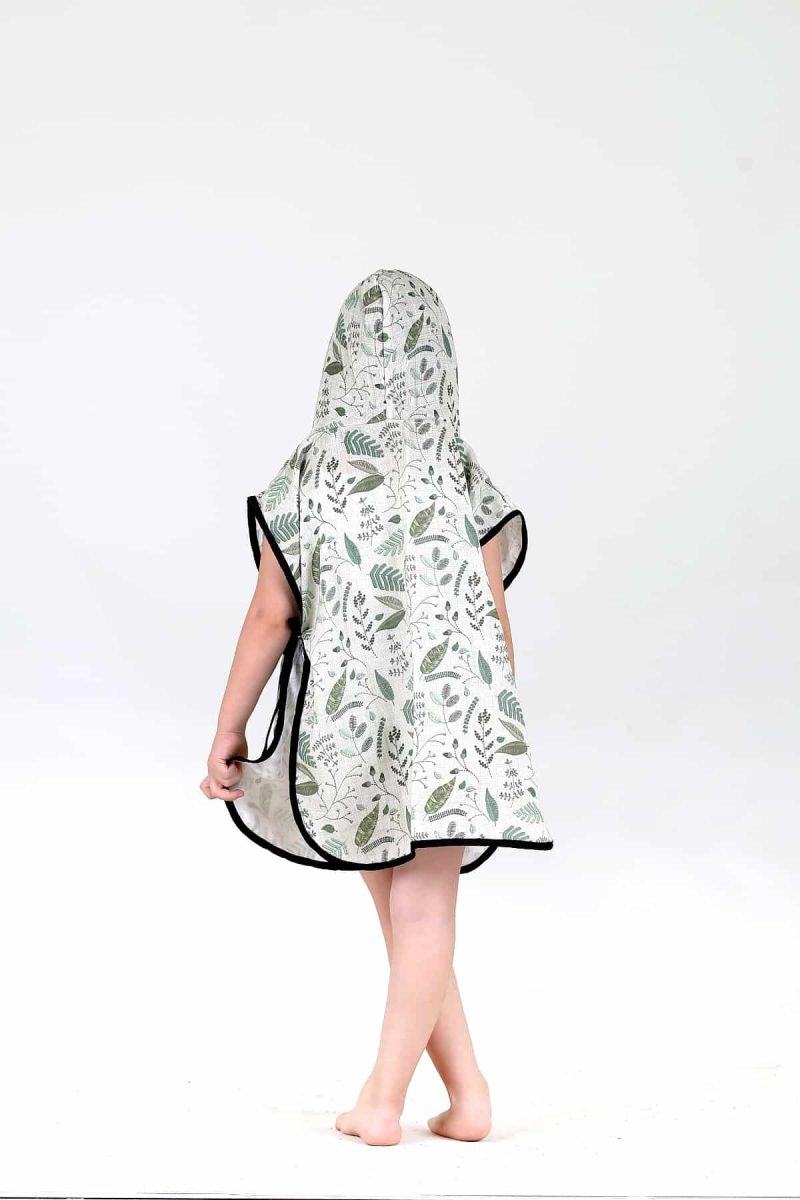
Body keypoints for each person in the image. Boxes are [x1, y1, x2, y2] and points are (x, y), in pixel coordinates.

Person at [200, 268, 554, 1146]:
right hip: (456, 722)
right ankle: (468, 1094)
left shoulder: (311, 475)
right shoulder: (458, 473)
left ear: (340, 360)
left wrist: (230, 727)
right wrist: (492, 732)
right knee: (420, 912)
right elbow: (493, 611)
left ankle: (381, 1102)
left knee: (406, 909)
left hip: (352, 728)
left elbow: (271, 613)